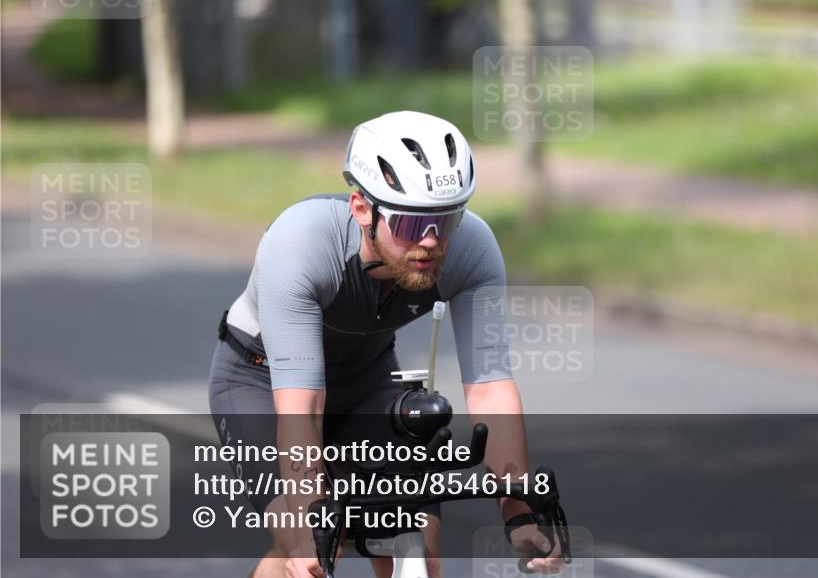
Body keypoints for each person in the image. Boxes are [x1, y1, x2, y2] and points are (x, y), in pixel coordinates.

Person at [209, 111, 565, 578]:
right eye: (413, 223)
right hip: (260, 382)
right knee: (307, 547)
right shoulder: (300, 243)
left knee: (418, 549)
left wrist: (517, 511)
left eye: (447, 219)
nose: (432, 242)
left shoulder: (473, 248)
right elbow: (302, 408)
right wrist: (313, 512)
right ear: (362, 209)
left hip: (368, 382)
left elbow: (489, 387)